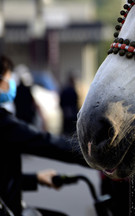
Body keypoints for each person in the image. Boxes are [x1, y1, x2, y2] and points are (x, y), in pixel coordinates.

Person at [0, 55, 88, 216]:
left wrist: (36, 178)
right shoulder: (3, 123)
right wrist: (94, 155)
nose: (11, 84)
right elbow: (46, 143)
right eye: (8, 78)